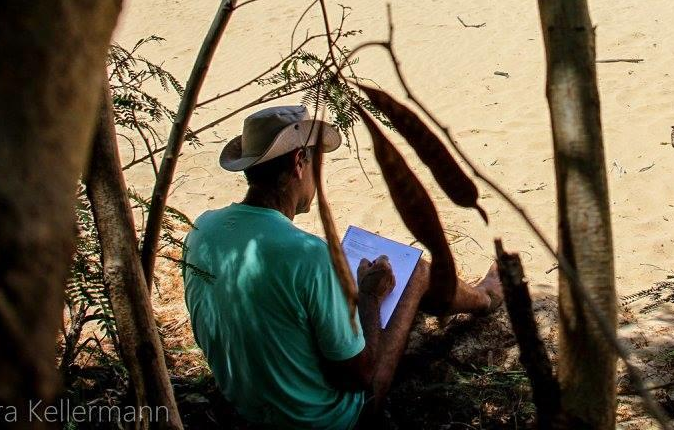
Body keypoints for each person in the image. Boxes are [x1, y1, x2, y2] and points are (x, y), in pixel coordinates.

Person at [183, 105, 502, 429]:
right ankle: (486, 297)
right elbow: (359, 376)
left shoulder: (201, 230)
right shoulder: (308, 256)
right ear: (299, 163)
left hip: (244, 404)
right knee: (416, 273)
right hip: (323, 420)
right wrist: (369, 298)